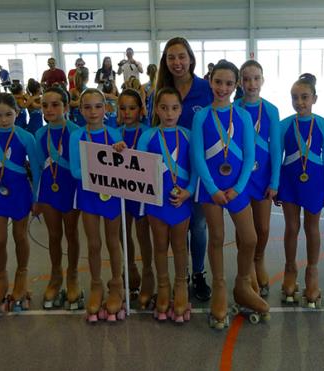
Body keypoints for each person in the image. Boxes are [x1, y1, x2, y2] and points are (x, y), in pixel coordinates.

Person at [191, 60, 270, 329]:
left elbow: (249, 156)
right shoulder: (201, 115)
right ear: (210, 82)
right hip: (210, 189)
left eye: (228, 83)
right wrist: (212, 189)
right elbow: (197, 156)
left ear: (235, 85)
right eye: (217, 82)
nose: (222, 88)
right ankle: (220, 287)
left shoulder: (243, 116)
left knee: (249, 238)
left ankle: (243, 283)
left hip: (237, 186)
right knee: (216, 237)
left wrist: (238, 187)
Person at [154, 37, 214, 301]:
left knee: (198, 225)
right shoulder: (160, 91)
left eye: (181, 56)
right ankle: (179, 277)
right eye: (171, 57)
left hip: (199, 170)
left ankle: (198, 273)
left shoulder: (206, 88)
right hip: (169, 172)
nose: (177, 62)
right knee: (174, 226)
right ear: (165, 62)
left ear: (191, 58)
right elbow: (150, 129)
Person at [0, 93, 40, 316]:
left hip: (21, 192)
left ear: (17, 113)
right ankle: (0, 277)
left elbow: (38, 170)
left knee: (20, 237)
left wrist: (36, 198)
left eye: (8, 114)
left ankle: (22, 274)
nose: (3, 119)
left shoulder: (25, 137)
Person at [138, 87, 195, 323]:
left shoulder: (189, 136)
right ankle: (163, 285)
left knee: (180, 246)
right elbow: (138, 168)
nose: (169, 113)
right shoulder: (148, 136)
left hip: (181, 199)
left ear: (181, 110)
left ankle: (181, 285)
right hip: (155, 201)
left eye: (174, 108)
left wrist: (189, 191)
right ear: (156, 109)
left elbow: (196, 168)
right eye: (164, 108)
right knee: (159, 245)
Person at [69, 88, 126, 322]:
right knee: (93, 243)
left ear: (106, 108)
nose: (93, 111)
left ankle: (116, 284)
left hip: (111, 195)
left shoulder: (114, 135)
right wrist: (102, 172)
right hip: (88, 195)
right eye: (88, 107)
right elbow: (75, 170)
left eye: (98, 106)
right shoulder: (76, 136)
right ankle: (96, 285)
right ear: (81, 110)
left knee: (113, 241)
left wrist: (121, 154)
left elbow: (123, 168)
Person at [276, 73, 324, 308]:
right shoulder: (283, 125)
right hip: (289, 179)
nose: (300, 102)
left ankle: (312, 272)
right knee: (291, 226)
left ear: (315, 98)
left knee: (312, 227)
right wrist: (276, 184)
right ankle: (290, 270)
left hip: (315, 181)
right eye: (295, 97)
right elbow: (276, 155)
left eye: (305, 97)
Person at [234, 60, 281, 297]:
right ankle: (246, 267)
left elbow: (276, 148)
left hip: (262, 176)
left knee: (262, 227)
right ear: (240, 82)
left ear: (263, 80)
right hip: (240, 176)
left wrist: (274, 181)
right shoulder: (234, 107)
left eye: (256, 78)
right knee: (244, 228)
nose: (252, 83)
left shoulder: (271, 110)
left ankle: (258, 259)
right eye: (247, 79)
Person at [36, 87, 83, 310]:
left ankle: (72, 276)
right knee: (54, 235)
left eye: (55, 104)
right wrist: (35, 198)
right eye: (45, 105)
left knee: (71, 233)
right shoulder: (39, 134)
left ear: (65, 106)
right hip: (48, 190)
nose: (49, 109)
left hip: (70, 190)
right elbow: (37, 167)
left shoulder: (76, 131)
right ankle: (56, 276)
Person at [116, 89, 154, 308]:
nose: (127, 112)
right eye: (123, 108)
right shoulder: (114, 133)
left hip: (140, 193)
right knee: (123, 233)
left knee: (142, 234)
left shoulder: (148, 132)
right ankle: (129, 270)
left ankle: (148, 273)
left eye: (132, 108)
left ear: (141, 110)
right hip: (120, 191)